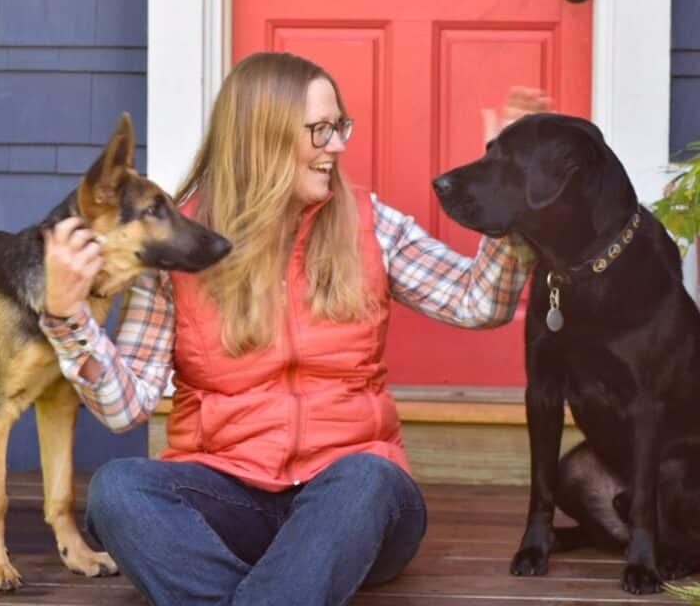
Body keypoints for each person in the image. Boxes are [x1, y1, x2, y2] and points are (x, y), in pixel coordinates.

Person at [40, 52, 538, 606]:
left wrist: (506, 199)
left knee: (366, 477)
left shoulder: (371, 224)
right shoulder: (181, 248)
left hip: (351, 506)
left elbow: (478, 302)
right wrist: (69, 318)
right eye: (320, 130)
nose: (338, 145)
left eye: (339, 126)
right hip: (229, 499)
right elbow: (124, 408)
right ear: (263, 137)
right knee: (117, 491)